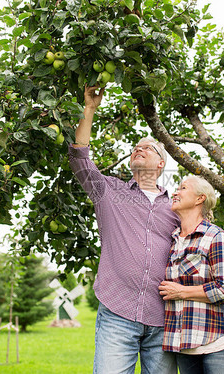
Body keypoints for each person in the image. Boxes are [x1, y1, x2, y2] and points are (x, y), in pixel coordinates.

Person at [68, 85, 180, 374]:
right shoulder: (109, 191)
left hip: (164, 316)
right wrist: (89, 109)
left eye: (148, 148)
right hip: (118, 310)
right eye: (135, 148)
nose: (139, 149)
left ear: (161, 163)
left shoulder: (178, 206)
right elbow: (79, 158)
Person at [158, 176, 224, 374]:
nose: (175, 192)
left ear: (200, 199)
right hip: (185, 345)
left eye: (183, 188)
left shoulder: (215, 237)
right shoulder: (173, 241)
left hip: (218, 342)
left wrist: (182, 292)